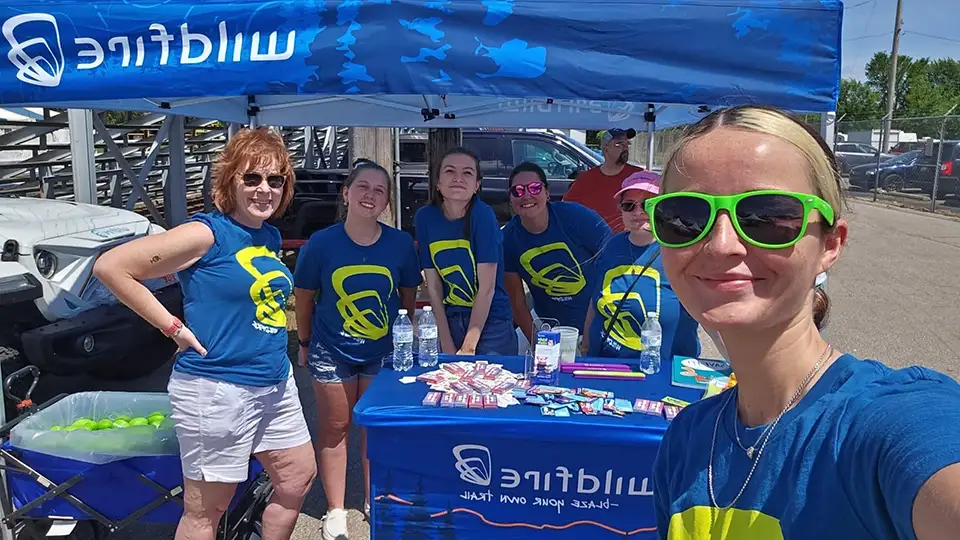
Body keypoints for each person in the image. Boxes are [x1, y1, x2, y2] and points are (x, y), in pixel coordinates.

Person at [649, 105, 960, 539]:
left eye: (768, 217)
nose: (720, 246)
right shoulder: (685, 443)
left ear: (831, 243)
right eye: (685, 217)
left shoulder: (882, 422)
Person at [93, 127, 316, 540]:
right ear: (229, 181)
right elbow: (112, 267)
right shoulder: (206, 233)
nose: (264, 189)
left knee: (297, 477)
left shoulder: (267, 235)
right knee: (206, 510)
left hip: (274, 382)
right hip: (218, 389)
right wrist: (172, 327)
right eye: (251, 178)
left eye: (274, 179)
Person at [293, 161, 421, 540]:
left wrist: (404, 343)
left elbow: (407, 300)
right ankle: (335, 509)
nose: (370, 195)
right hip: (332, 351)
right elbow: (304, 298)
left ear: (386, 201)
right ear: (346, 193)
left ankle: (372, 500)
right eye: (362, 186)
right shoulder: (321, 243)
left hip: (382, 352)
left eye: (379, 190)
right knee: (335, 430)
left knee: (374, 430)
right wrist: (303, 342)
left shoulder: (400, 243)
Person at [580, 171, 701, 362]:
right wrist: (585, 345)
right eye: (629, 205)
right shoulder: (612, 245)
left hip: (663, 370)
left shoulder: (682, 251)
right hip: (604, 364)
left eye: (648, 204)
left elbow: (714, 311)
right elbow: (595, 300)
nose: (638, 212)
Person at [414, 147, 517, 356]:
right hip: (451, 318)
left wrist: (469, 346)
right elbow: (433, 286)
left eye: (467, 173)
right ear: (437, 182)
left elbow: (487, 288)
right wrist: (446, 343)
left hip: (491, 320)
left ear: (477, 185)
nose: (458, 178)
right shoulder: (424, 218)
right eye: (450, 171)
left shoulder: (483, 216)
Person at [501, 162, 611, 341]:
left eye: (535, 188)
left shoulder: (577, 217)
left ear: (547, 192)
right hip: (547, 325)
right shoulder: (507, 239)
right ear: (511, 198)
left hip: (598, 322)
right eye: (518, 191)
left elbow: (613, 262)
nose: (527, 195)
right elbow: (517, 302)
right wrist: (536, 342)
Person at [563, 128, 644, 232]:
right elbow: (566, 209)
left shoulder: (639, 176)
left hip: (631, 239)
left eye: (627, 144)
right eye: (619, 144)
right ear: (606, 149)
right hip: (596, 242)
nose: (625, 148)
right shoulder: (586, 180)